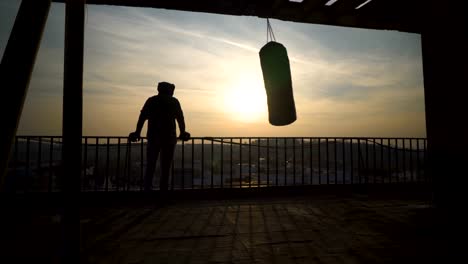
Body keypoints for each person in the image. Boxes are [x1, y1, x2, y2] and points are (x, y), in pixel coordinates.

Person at [129, 81, 190, 192]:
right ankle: (163, 191)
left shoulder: (151, 101)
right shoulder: (174, 102)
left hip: (153, 137)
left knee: (150, 165)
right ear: (170, 90)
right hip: (169, 138)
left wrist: (137, 132)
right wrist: (183, 132)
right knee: (165, 168)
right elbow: (180, 119)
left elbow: (142, 118)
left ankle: (147, 190)